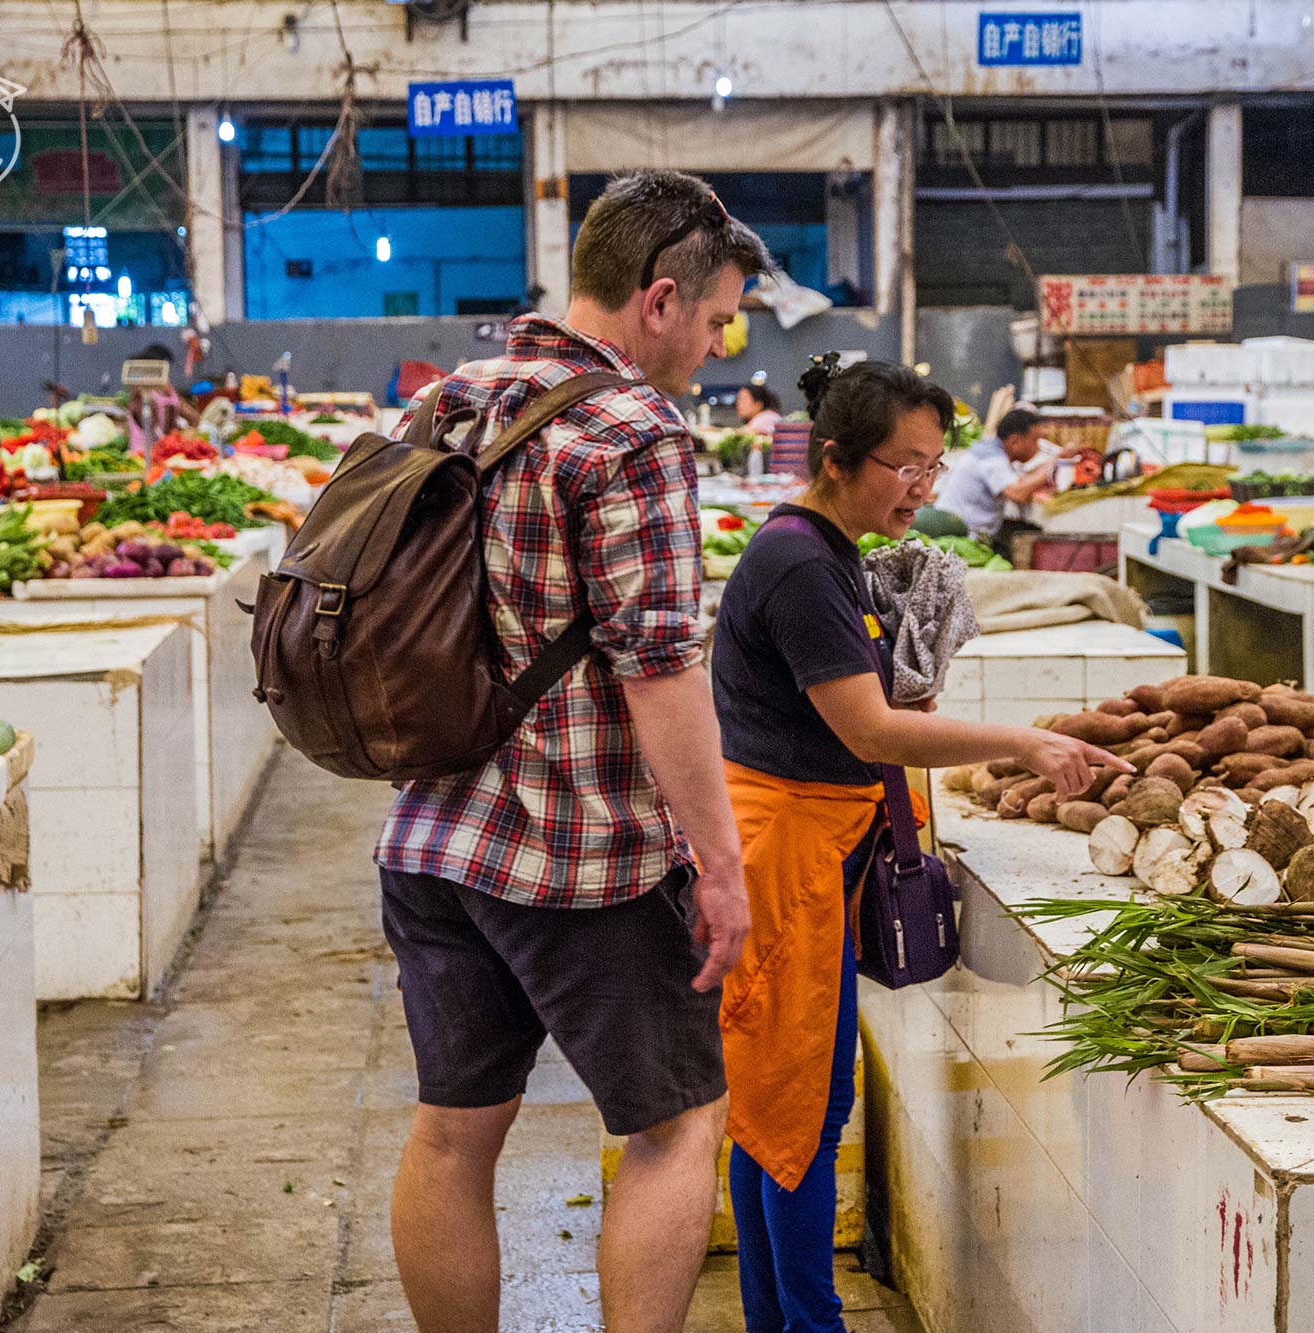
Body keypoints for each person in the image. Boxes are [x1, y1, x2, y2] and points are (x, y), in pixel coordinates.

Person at [373, 169, 773, 1333]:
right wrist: (721, 862)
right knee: (676, 1126)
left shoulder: (449, 399)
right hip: (576, 854)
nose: (709, 345)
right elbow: (657, 666)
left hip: (433, 834)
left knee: (454, 1126)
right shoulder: (632, 428)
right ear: (657, 300)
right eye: (711, 319)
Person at [710, 357, 1129, 1333]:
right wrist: (1022, 740)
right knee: (798, 1116)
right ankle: (810, 1324)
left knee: (781, 1108)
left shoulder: (822, 549)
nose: (920, 487)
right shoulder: (803, 565)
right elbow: (871, 734)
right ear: (836, 457)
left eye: (932, 467)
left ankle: (779, 1322)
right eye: (904, 465)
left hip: (807, 847)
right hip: (787, 857)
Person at [931, 406, 1078, 555]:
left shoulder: (990, 452)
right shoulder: (991, 458)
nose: (1038, 447)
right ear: (1015, 441)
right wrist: (1055, 461)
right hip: (962, 540)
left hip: (964, 532)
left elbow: (1022, 486)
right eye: (1035, 440)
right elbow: (1018, 493)